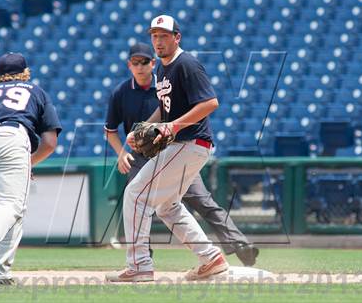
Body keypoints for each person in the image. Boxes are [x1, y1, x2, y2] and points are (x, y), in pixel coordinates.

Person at [106, 15, 255, 283]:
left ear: (177, 37)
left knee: (135, 194)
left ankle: (140, 265)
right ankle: (211, 259)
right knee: (166, 206)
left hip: (188, 142)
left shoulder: (186, 64)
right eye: (154, 35)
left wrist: (173, 126)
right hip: (186, 145)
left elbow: (210, 103)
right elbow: (164, 110)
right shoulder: (162, 69)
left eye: (164, 35)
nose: (158, 41)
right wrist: (141, 128)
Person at [0, 52, 62, 286]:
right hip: (11, 136)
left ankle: (0, 275)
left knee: (10, 208)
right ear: (26, 73)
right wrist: (27, 161)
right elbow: (49, 143)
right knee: (12, 204)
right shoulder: (35, 90)